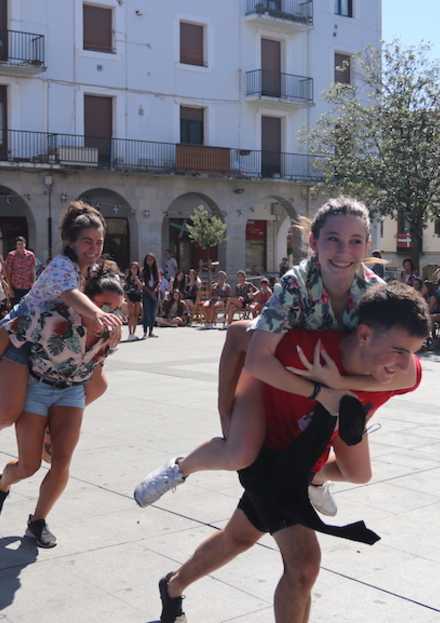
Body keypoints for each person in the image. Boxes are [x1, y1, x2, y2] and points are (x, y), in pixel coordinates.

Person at [153, 283, 429, 623]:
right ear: (364, 334)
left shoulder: (401, 370)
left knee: (238, 538)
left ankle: (172, 586)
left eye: (412, 352)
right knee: (303, 563)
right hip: (268, 454)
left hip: (304, 462)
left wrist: (341, 383)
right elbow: (238, 335)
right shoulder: (309, 349)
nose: (405, 363)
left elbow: (404, 373)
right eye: (398, 351)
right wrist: (226, 411)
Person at [134, 197, 392, 514]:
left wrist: (343, 394)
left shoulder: (377, 294)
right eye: (333, 239)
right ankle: (179, 468)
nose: (343, 251)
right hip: (275, 373)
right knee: (239, 454)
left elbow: (401, 369)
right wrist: (320, 393)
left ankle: (314, 479)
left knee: (358, 472)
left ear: (367, 245)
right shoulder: (296, 283)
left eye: (355, 241)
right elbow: (257, 359)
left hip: (327, 383)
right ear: (313, 242)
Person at [0, 201, 123, 469]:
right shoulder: (63, 266)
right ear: (70, 241)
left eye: (99, 242)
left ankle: (50, 429)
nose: (94, 249)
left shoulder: (96, 270)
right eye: (87, 241)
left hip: (58, 343)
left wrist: (112, 319)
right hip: (23, 337)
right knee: (8, 412)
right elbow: (70, 294)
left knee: (98, 385)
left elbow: (111, 297)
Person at [0, 265, 124, 548]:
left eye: (117, 309)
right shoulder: (54, 319)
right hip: (37, 388)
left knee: (61, 462)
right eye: (105, 306)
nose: (111, 315)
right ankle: (2, 483)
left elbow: (94, 368)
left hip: (70, 394)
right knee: (29, 466)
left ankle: (37, 521)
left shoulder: (111, 333)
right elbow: (8, 330)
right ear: (86, 301)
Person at [4, 236, 37, 307]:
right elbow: (8, 272)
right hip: (16, 286)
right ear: (16, 245)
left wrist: (33, 284)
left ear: (25, 244)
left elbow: (32, 270)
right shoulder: (11, 255)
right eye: (19, 244)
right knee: (16, 307)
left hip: (27, 286)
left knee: (28, 307)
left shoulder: (30, 255)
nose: (21, 246)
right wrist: (10, 288)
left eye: (22, 244)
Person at [140, 252, 161, 339]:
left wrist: (154, 291)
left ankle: (151, 331)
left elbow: (158, 282)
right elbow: (142, 283)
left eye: (152, 259)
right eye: (148, 259)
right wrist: (150, 292)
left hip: (155, 292)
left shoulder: (157, 271)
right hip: (146, 293)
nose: (150, 261)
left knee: (153, 313)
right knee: (147, 313)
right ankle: (145, 331)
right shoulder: (143, 271)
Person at [123, 261, 143, 341]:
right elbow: (124, 290)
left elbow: (141, 286)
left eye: (135, 268)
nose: (133, 269)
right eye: (132, 268)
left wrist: (136, 277)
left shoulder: (140, 277)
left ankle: (133, 333)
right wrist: (128, 300)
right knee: (131, 316)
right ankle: (130, 333)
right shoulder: (127, 278)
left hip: (137, 296)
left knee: (136, 315)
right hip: (130, 296)